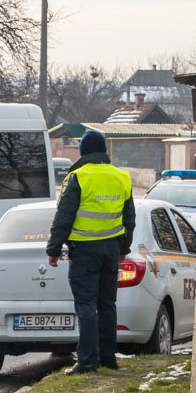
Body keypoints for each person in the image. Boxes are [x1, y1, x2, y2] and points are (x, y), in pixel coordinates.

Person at [46, 130, 135, 374]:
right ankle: (108, 357)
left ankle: (87, 361)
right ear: (104, 151)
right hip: (111, 249)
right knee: (107, 304)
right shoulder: (122, 177)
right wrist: (124, 248)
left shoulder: (78, 177)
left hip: (84, 250)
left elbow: (64, 216)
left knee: (85, 304)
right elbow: (130, 218)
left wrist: (54, 249)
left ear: (84, 152)